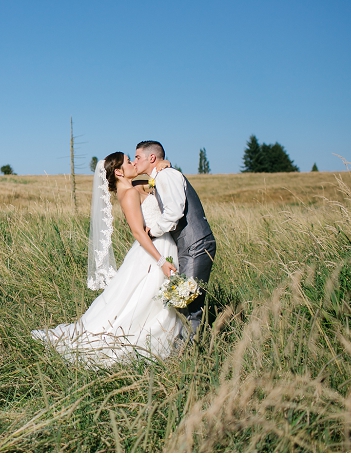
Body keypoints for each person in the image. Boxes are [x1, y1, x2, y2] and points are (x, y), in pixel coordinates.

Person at [31, 152, 183, 368]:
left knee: (145, 299)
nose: (133, 163)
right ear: (119, 171)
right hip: (154, 251)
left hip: (159, 245)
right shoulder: (129, 193)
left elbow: (151, 182)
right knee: (146, 301)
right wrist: (161, 262)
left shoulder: (130, 187)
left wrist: (161, 167)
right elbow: (139, 233)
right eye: (129, 161)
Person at [133, 140, 216, 340]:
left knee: (190, 300)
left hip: (197, 244)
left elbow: (174, 212)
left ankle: (191, 350)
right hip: (187, 245)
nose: (135, 162)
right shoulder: (160, 176)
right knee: (185, 297)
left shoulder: (167, 176)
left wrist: (153, 231)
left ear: (151, 158)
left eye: (137, 157)